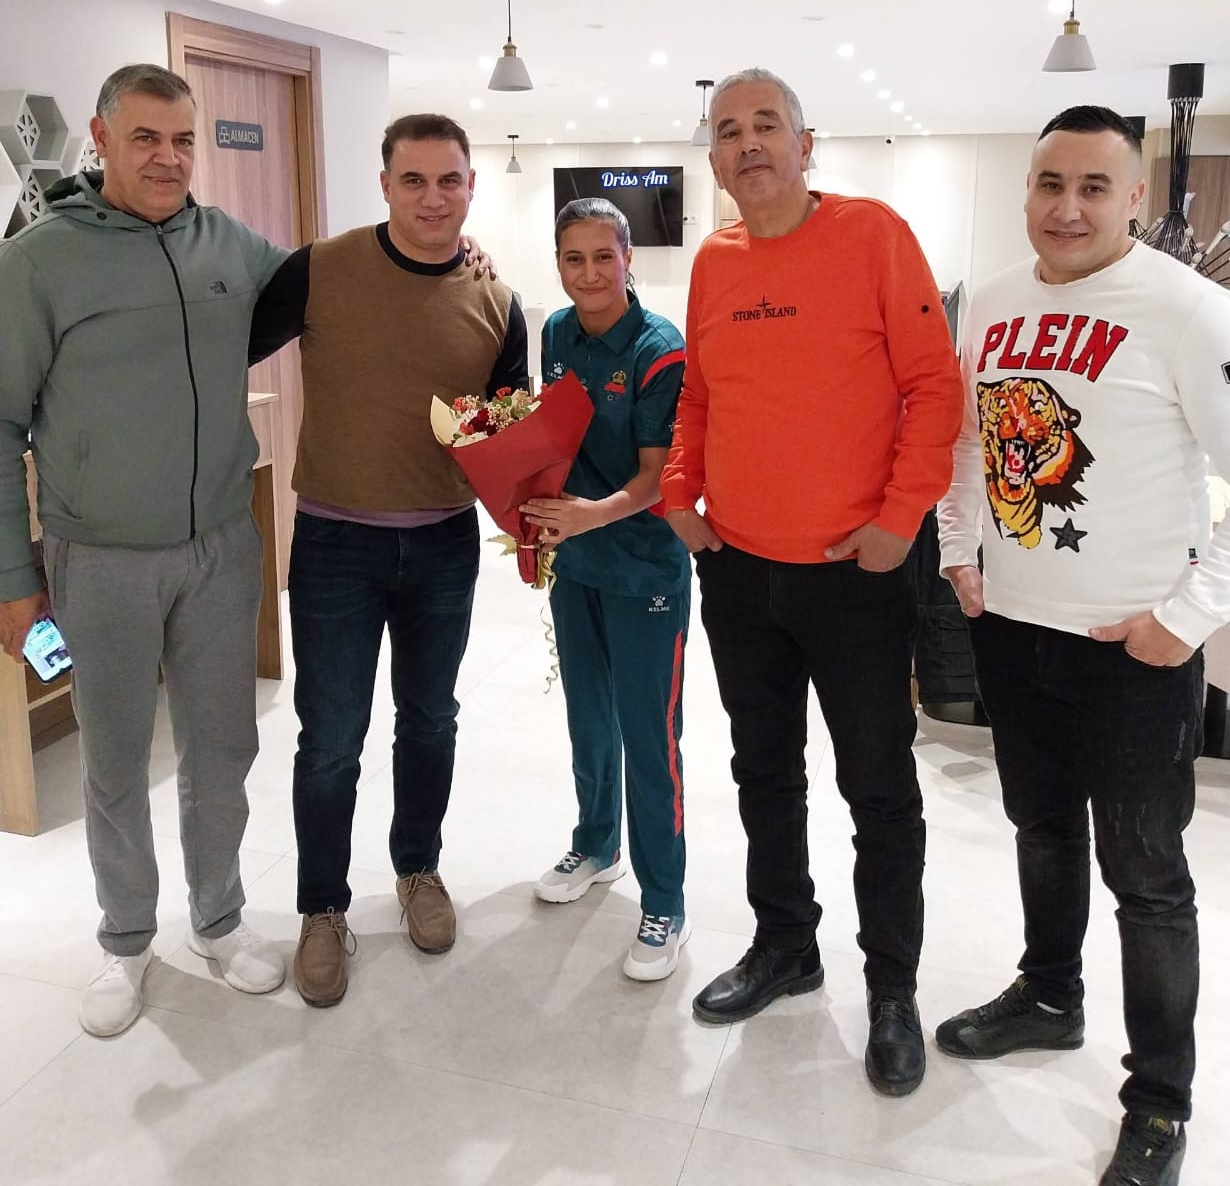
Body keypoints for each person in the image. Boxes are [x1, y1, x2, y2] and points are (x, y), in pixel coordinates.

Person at [936, 106, 1230, 1186]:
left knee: (1146, 878)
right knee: (1043, 830)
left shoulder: (1189, 309)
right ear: (1026, 190)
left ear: (1135, 198)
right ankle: (1051, 995)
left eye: (1094, 187)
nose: (1067, 207)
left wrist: (1186, 619)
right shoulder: (994, 300)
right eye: (1050, 183)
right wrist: (959, 549)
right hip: (1017, 632)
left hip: (1133, 651)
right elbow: (969, 438)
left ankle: (1158, 1102)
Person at [660, 67, 963, 1096]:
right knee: (763, 771)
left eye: (767, 125)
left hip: (855, 577)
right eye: (728, 129)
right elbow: (699, 396)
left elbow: (934, 386)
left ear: (805, 143)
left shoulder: (872, 234)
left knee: (877, 788)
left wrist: (899, 518)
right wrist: (679, 492)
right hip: (740, 571)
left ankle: (892, 989)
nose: (748, 142)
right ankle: (786, 942)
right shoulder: (715, 259)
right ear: (713, 157)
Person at [0, 64, 288, 1037]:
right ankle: (125, 938)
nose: (169, 159)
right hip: (100, 558)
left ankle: (219, 918)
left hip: (219, 549)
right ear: (100, 138)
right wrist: (13, 577)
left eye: (183, 140)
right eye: (146, 139)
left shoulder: (226, 242)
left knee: (224, 747)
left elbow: (319, 286)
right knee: (116, 758)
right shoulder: (39, 259)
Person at [249, 113, 527, 1009]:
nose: (432, 198)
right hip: (336, 543)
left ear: (471, 187)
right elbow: (219, 345)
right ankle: (322, 908)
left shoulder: (496, 300)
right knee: (331, 738)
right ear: (385, 185)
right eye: (414, 180)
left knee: (431, 720)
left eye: (449, 181)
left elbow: (509, 433)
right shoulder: (321, 269)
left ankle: (418, 869)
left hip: (443, 543)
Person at [520, 197, 691, 981]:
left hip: (643, 568)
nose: (588, 273)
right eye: (573, 258)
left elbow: (659, 476)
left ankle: (666, 900)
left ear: (629, 260)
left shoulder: (660, 351)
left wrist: (591, 514)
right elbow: (550, 434)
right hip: (577, 564)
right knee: (589, 719)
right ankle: (596, 844)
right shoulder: (556, 332)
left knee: (649, 737)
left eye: (603, 257)